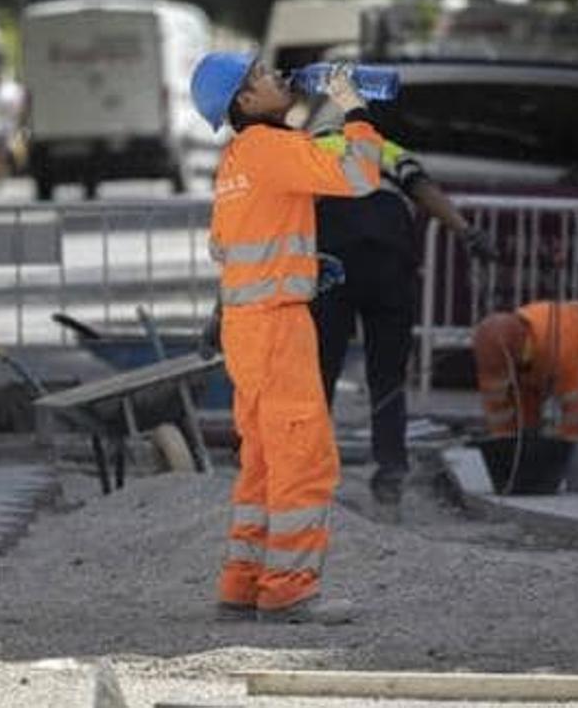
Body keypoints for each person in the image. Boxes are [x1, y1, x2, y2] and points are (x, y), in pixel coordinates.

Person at [190, 53, 385, 624]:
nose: (278, 77)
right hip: (278, 325)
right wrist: (356, 111)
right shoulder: (274, 149)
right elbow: (360, 174)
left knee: (264, 463)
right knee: (302, 458)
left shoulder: (235, 161)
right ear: (245, 102)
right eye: (263, 76)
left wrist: (297, 261)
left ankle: (242, 582)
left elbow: (226, 248)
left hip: (247, 328)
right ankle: (289, 590)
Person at [309, 128, 496, 513]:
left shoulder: (306, 147)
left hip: (332, 262)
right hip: (389, 262)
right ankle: (390, 479)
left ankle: (310, 480)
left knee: (318, 376)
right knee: (388, 378)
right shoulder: (384, 149)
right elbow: (423, 189)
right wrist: (466, 230)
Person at [471, 300, 578, 439]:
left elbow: (576, 404)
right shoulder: (492, 350)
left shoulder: (557, 345)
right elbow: (496, 409)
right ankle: (528, 444)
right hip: (541, 352)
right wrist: (505, 443)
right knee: (525, 395)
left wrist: (568, 446)